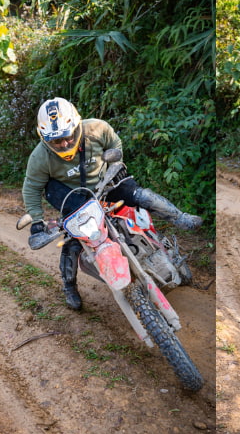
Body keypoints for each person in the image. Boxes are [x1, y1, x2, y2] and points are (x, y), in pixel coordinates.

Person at [21, 97, 202, 310]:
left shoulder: (97, 129)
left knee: (140, 195)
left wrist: (116, 163)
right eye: (56, 141)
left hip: (106, 185)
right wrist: (37, 221)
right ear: (44, 139)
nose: (64, 144)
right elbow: (31, 188)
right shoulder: (39, 158)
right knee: (73, 242)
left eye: (68, 137)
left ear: (77, 126)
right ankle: (69, 286)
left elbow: (115, 144)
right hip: (74, 199)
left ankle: (180, 218)